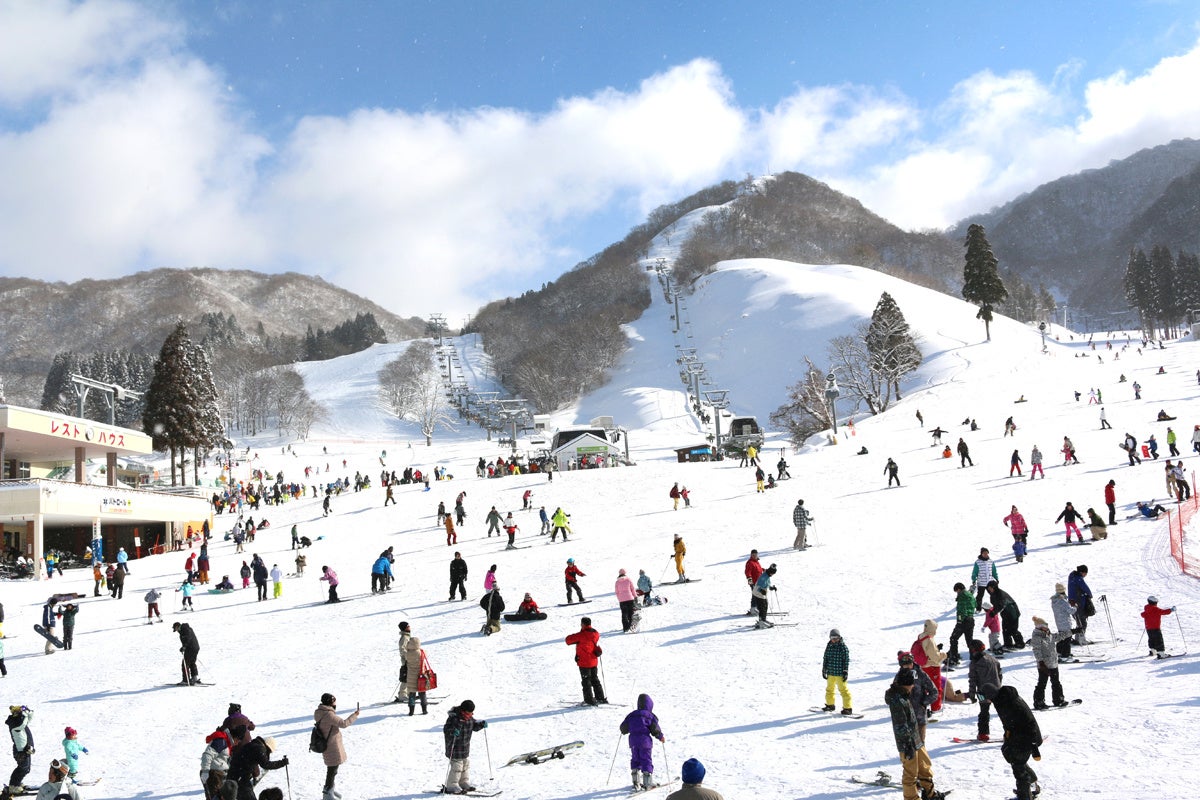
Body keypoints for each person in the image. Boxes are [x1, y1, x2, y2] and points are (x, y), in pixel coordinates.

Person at [885, 670, 944, 800]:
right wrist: (908, 746)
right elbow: (901, 726)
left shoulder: (904, 695)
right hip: (907, 744)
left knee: (924, 766)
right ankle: (911, 798)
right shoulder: (897, 700)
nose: (913, 686)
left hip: (916, 739)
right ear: (905, 684)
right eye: (911, 684)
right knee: (910, 774)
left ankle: (929, 793)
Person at [992, 686, 1044, 800]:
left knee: (1018, 765)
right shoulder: (1003, 701)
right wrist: (1007, 737)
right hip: (1018, 738)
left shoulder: (1013, 705)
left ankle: (1025, 796)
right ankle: (1031, 785)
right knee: (1012, 757)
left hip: (1027, 739)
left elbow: (1030, 725)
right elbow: (1008, 723)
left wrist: (1033, 745)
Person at [313, 692, 359, 800]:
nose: (335, 703)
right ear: (330, 702)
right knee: (332, 770)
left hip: (327, 744)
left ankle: (330, 788)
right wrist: (355, 715)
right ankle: (327, 792)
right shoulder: (328, 715)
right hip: (332, 746)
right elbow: (344, 723)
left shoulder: (319, 712)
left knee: (332, 769)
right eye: (334, 701)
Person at [621, 694, 665, 791]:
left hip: (633, 741)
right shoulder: (650, 716)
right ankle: (647, 782)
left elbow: (623, 728)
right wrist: (660, 737)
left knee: (635, 759)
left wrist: (623, 730)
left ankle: (635, 781)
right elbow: (655, 729)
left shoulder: (631, 715)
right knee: (646, 760)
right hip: (645, 742)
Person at [442, 700, 487, 795]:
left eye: (471, 712)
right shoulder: (454, 718)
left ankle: (463, 782)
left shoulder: (469, 717)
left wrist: (481, 725)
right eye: (469, 712)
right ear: (463, 710)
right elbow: (446, 729)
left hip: (464, 747)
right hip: (454, 748)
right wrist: (452, 731)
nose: (471, 714)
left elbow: (474, 726)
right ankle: (452, 785)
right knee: (457, 766)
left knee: (465, 764)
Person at [226, 732, 287, 800]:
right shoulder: (259, 748)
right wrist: (282, 763)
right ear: (268, 747)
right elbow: (266, 764)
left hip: (235, 776)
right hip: (240, 779)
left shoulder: (253, 745)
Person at [896, 652, 938, 743]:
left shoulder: (921, 674)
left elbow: (934, 692)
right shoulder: (899, 676)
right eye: (906, 665)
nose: (908, 667)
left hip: (919, 718)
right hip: (905, 718)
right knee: (907, 745)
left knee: (920, 744)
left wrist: (923, 703)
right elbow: (894, 694)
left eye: (910, 664)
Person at [565, 618, 607, 705]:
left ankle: (589, 700)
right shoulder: (595, 633)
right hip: (593, 660)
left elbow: (568, 640)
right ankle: (600, 698)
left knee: (586, 681)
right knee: (595, 679)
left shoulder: (581, 635)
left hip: (584, 662)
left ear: (583, 624)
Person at [1028, 617, 1068, 710]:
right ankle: (1038, 702)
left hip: (1053, 663)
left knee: (1056, 682)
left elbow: (1059, 636)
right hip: (1044, 665)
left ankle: (1058, 699)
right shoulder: (1037, 637)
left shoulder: (1049, 635)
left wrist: (1073, 631)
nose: (1047, 627)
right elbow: (1036, 650)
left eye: (1047, 626)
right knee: (1042, 683)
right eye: (1045, 626)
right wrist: (1041, 662)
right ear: (1039, 627)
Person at [967, 639, 1003, 742]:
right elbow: (1000, 674)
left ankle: (983, 733)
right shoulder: (993, 659)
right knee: (1002, 712)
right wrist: (998, 686)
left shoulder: (975, 663)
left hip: (982, 692)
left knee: (984, 711)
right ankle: (1010, 731)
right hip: (996, 690)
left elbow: (972, 680)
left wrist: (972, 695)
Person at [821, 629, 853, 715]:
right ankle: (830, 705)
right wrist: (824, 669)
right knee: (829, 689)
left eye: (836, 638)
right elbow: (825, 658)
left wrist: (845, 671)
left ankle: (847, 708)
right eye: (832, 638)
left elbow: (846, 660)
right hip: (830, 672)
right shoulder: (829, 646)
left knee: (843, 690)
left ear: (839, 637)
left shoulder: (843, 647)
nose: (834, 640)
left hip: (839, 673)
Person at [986, 580, 1024, 649]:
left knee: (1013, 629)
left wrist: (994, 612)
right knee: (1005, 629)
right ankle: (1008, 644)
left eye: (990, 588)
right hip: (1005, 614)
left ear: (994, 587)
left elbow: (1002, 605)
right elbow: (995, 605)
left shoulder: (1001, 594)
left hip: (1013, 613)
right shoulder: (993, 595)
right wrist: (992, 611)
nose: (989, 590)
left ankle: (1020, 643)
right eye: (988, 588)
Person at [5, 705, 34, 791]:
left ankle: (17, 782)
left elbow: (28, 719)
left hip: (26, 749)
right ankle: (13, 785)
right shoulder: (15, 724)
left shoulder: (20, 722)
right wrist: (24, 713)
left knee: (26, 769)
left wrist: (28, 711)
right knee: (23, 768)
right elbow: (22, 723)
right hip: (20, 751)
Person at [947, 583, 975, 668]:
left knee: (953, 638)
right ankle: (974, 657)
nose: (957, 593)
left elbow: (962, 610)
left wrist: (959, 620)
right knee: (969, 640)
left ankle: (954, 657)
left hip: (963, 620)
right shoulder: (970, 595)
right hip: (971, 619)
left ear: (959, 589)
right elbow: (975, 604)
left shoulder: (962, 596)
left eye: (956, 591)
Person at [199, 730, 231, 800]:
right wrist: (205, 771)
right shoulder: (221, 741)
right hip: (214, 774)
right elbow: (207, 755)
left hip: (216, 774)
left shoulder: (224, 742)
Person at [1067, 565, 1092, 645]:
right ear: (1082, 572)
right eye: (1085, 573)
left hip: (1072, 602)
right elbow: (1085, 588)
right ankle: (1081, 639)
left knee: (1078, 621)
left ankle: (1078, 638)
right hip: (1078, 602)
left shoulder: (1072, 577)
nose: (1086, 575)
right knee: (1082, 622)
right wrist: (1090, 595)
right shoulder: (1078, 578)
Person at [1050, 584, 1074, 661]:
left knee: (1061, 637)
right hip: (1065, 622)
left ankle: (1059, 651)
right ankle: (1065, 655)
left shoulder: (1054, 600)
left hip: (1059, 622)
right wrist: (1075, 607)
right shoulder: (1062, 601)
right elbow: (1071, 611)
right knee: (1067, 638)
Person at [751, 563, 778, 629]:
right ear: (771, 572)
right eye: (773, 574)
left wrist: (771, 588)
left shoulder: (767, 575)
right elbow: (758, 587)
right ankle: (761, 622)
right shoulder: (764, 577)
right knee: (762, 607)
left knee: (765, 606)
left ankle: (763, 619)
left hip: (761, 594)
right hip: (758, 594)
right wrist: (763, 591)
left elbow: (767, 584)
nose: (773, 575)